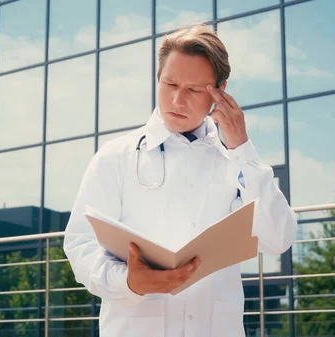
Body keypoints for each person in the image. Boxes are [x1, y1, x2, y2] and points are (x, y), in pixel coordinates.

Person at [63, 24, 298, 337]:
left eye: (194, 90)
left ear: (220, 90)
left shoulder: (237, 160)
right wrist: (129, 281)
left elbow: (279, 238)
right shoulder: (115, 156)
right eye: (169, 83)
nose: (177, 99)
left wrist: (242, 147)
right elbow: (81, 244)